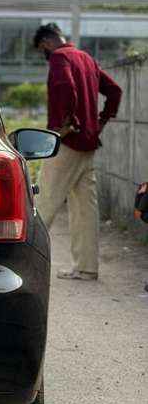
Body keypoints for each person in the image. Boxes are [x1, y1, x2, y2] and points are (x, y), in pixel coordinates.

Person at [32, 22, 122, 281]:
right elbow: (114, 91)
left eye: (42, 49)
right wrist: (102, 121)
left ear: (48, 42)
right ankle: (86, 268)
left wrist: (65, 124)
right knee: (86, 209)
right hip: (89, 144)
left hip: (67, 143)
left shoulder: (60, 57)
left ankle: (25, 263)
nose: (44, 55)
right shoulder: (86, 58)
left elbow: (64, 86)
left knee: (44, 201)